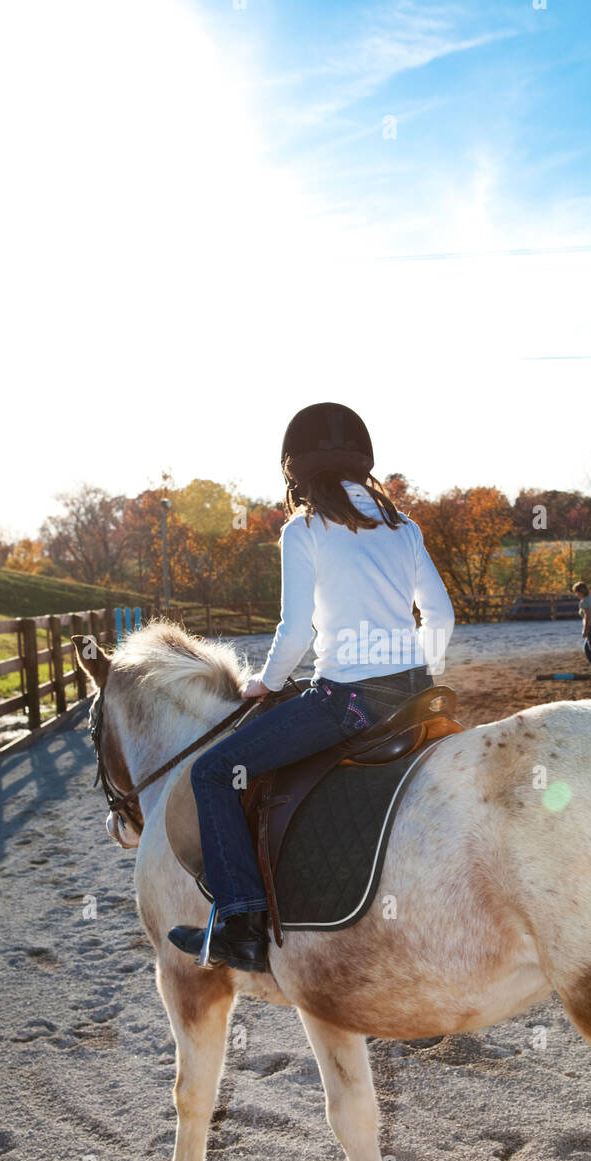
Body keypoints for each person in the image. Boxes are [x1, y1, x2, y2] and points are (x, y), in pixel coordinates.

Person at [169, 403, 456, 972]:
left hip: (346, 702)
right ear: (362, 465)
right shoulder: (405, 527)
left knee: (213, 773)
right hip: (415, 697)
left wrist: (264, 683)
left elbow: (296, 630)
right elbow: (441, 615)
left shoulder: (303, 529)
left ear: (295, 471)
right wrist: (425, 673)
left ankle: (242, 924)